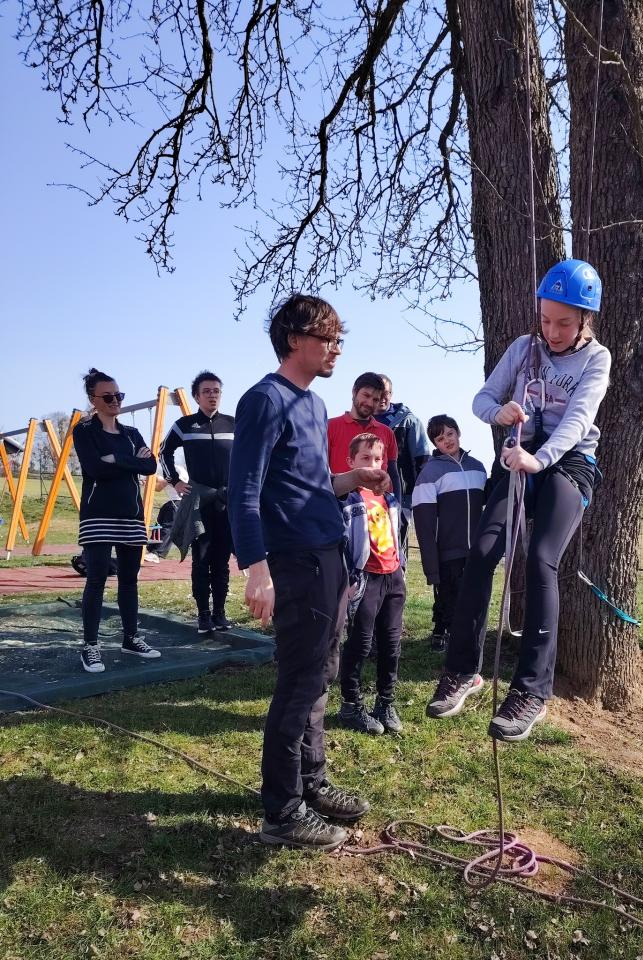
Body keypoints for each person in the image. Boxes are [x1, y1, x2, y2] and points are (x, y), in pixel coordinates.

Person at [228, 294, 391, 852]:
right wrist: (257, 570)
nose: (336, 349)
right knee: (299, 681)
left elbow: (314, 483)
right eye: (328, 338)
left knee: (322, 673)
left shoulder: (315, 405)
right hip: (292, 561)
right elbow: (243, 491)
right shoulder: (264, 400)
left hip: (329, 556)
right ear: (295, 339)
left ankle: (311, 783)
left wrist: (355, 480)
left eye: (340, 339)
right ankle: (282, 810)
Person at [426, 259, 611, 741]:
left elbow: (578, 420)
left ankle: (531, 691)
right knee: (482, 553)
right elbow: (481, 401)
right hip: (517, 460)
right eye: (545, 319)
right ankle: (462, 670)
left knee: (542, 558)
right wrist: (501, 412)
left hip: (568, 463)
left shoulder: (597, 359)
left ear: (585, 318)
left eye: (564, 323)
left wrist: (539, 458)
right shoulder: (523, 349)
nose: (552, 331)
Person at [73, 368, 162, 673]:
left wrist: (117, 459)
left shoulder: (131, 434)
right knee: (97, 578)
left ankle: (131, 638)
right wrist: (132, 462)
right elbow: (95, 469)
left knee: (129, 579)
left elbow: (150, 467)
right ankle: (90, 646)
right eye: (108, 397)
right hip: (97, 515)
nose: (115, 401)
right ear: (93, 399)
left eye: (118, 395)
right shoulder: (84, 431)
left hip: (131, 515)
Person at [338, 434, 405, 735]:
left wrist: (401, 568)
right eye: (365, 458)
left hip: (393, 578)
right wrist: (347, 579)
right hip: (365, 580)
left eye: (377, 459)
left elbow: (397, 534)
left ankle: (385, 702)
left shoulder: (390, 499)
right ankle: (351, 705)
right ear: (351, 462)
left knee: (391, 644)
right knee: (361, 643)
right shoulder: (347, 499)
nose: (372, 464)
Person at [159, 371, 235, 633]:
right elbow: (164, 451)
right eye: (207, 391)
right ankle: (203, 614)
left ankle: (220, 613)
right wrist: (174, 481)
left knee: (222, 560)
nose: (212, 395)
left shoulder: (233, 424)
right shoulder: (185, 425)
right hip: (198, 503)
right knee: (201, 559)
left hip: (225, 502)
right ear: (196, 396)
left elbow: (248, 456)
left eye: (216, 391)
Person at [412, 415, 487, 652]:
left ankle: (466, 640)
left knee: (471, 598)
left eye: (450, 433)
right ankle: (442, 631)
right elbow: (424, 523)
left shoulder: (478, 467)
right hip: (447, 550)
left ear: (458, 432)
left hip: (475, 549)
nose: (447, 440)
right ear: (435, 444)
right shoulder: (430, 473)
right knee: (447, 595)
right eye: (439, 438)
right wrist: (431, 566)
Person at [375, 375, 432, 553]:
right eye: (378, 392)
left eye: (386, 392)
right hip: (367, 495)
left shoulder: (409, 422)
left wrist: (419, 497)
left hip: (401, 496)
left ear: (391, 394)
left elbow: (422, 462)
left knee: (396, 543)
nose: (382, 397)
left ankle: (399, 570)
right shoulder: (362, 420)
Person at [327, 372, 401, 497]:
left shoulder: (387, 432)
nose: (370, 403)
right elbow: (320, 471)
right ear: (354, 391)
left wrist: (397, 502)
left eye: (375, 399)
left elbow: (393, 473)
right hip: (341, 503)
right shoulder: (329, 427)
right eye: (366, 395)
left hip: (380, 505)